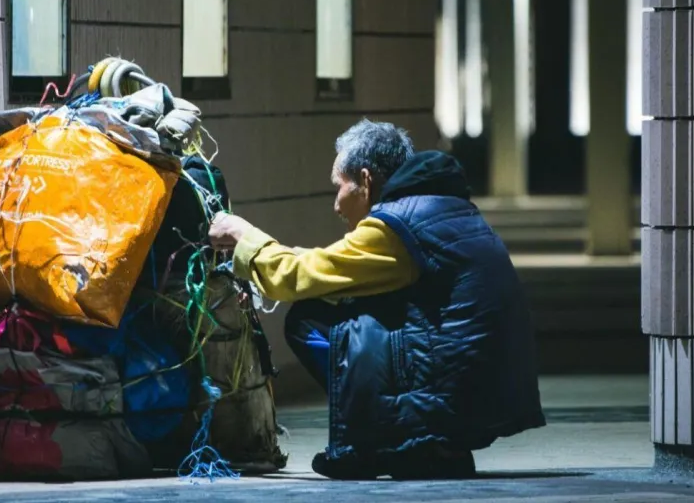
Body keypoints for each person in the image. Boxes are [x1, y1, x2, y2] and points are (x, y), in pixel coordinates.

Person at [208, 119, 545, 480]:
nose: (336, 204)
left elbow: (296, 278)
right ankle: (431, 444)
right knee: (347, 306)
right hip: (486, 388)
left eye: (339, 188)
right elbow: (332, 265)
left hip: (459, 393)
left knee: (309, 319)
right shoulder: (439, 209)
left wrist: (244, 235)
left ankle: (388, 440)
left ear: (366, 181)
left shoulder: (393, 229)